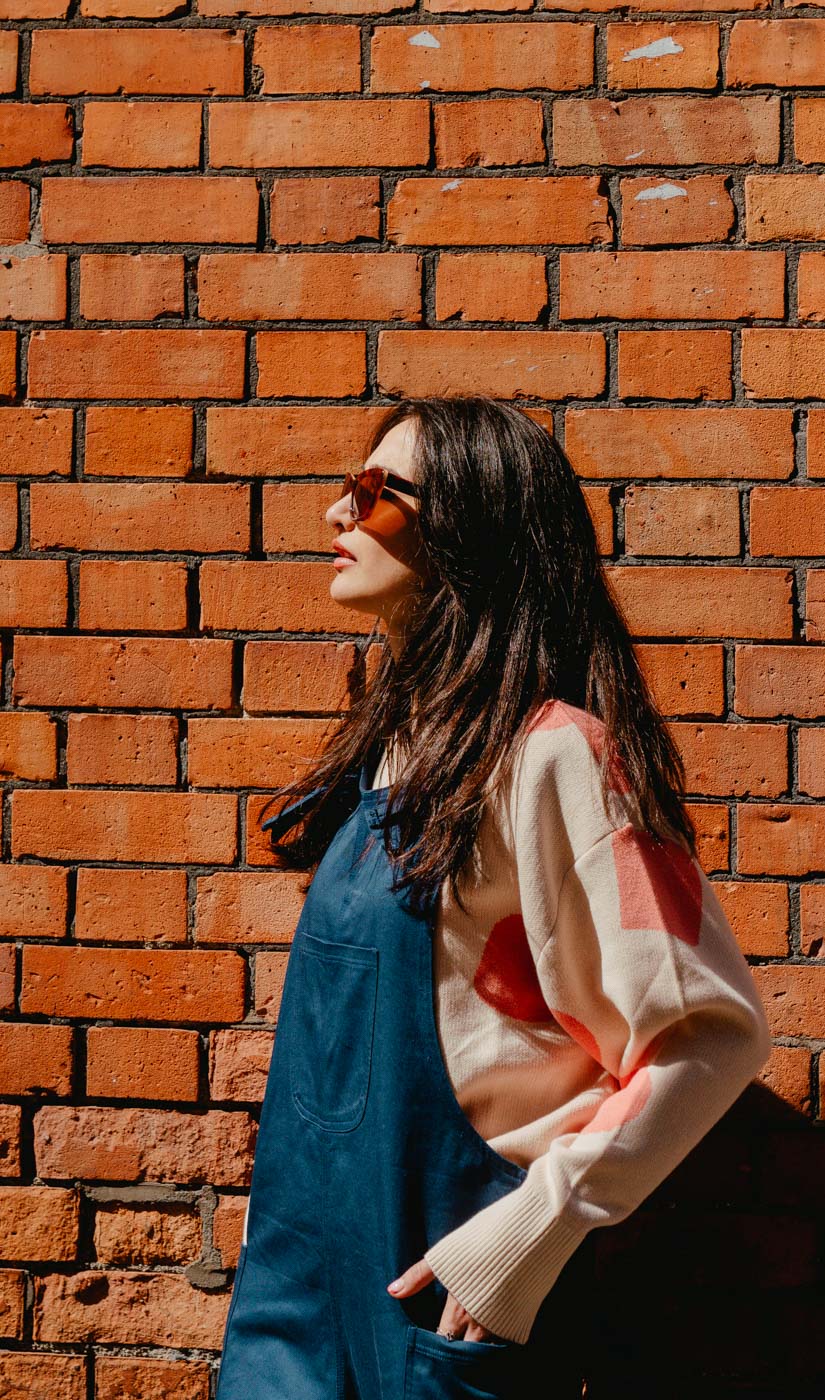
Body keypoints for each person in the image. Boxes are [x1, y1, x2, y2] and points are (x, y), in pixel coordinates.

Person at [215, 394, 773, 1400]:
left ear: (469, 529)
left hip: (443, 1286)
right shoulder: (390, 750)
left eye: (376, 493)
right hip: (298, 1289)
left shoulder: (558, 754)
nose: (337, 516)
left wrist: (529, 1232)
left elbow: (710, 1031)